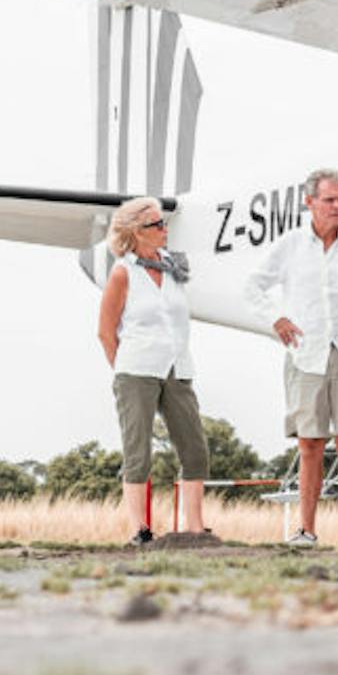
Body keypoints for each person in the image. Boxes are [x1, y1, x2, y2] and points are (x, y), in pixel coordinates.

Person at [245, 166, 338, 549]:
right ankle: (306, 531)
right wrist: (275, 318)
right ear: (309, 203)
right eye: (329, 199)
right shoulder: (289, 246)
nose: (337, 206)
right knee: (309, 445)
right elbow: (252, 286)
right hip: (306, 356)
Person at [96, 196, 210, 545]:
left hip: (177, 366)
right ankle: (140, 530)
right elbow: (105, 331)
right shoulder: (122, 273)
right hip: (137, 370)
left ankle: (194, 527)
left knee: (195, 449)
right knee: (138, 451)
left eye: (165, 223)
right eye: (157, 224)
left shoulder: (175, 269)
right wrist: (125, 370)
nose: (165, 229)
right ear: (136, 232)